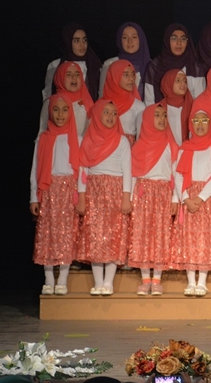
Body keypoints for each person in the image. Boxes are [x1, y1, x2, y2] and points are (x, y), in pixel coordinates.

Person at [76, 100, 132, 296]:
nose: (110, 116)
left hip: (115, 192)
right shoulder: (88, 139)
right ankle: (98, 281)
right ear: (98, 114)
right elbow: (83, 170)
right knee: (96, 236)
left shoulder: (122, 141)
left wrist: (126, 197)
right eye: (106, 112)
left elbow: (127, 171)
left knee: (113, 235)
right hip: (94, 191)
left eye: (114, 113)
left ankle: (108, 281)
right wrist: (81, 196)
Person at [30, 94, 80, 295]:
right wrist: (34, 197)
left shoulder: (76, 139)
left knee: (67, 234)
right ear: (50, 112)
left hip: (69, 191)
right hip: (48, 189)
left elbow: (82, 171)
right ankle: (49, 278)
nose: (60, 114)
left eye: (65, 110)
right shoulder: (43, 138)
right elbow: (35, 169)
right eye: (56, 110)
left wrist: (80, 194)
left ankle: (63, 278)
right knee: (48, 234)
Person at [127, 103, 178, 296]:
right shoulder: (138, 147)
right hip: (143, 194)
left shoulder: (170, 144)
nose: (162, 119)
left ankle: (157, 279)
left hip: (163, 193)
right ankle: (145, 278)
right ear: (147, 119)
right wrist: (131, 198)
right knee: (143, 234)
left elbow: (176, 173)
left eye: (164, 115)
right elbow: (133, 175)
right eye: (157, 115)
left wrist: (175, 198)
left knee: (160, 235)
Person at [172, 109, 211, 297]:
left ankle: (202, 281)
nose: (200, 124)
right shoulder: (185, 147)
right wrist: (186, 198)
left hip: (206, 199)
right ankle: (191, 281)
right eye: (196, 121)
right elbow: (178, 174)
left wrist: (200, 198)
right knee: (189, 239)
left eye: (204, 121)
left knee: (205, 239)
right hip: (188, 196)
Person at [144, 23, 201, 105]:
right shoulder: (155, 66)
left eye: (183, 39)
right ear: (167, 40)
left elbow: (199, 101)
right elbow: (149, 102)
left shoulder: (194, 66)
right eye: (174, 38)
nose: (179, 43)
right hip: (160, 112)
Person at [43, 23, 102, 101]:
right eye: (76, 40)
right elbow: (48, 96)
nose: (82, 44)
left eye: (84, 40)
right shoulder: (55, 65)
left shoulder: (94, 64)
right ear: (67, 41)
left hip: (90, 108)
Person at [39, 61, 93, 138]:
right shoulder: (50, 103)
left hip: (82, 145)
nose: (74, 77)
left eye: (77, 74)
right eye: (69, 74)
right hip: (57, 144)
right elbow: (41, 133)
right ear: (60, 77)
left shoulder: (87, 102)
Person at [100, 22, 150, 99]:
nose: (130, 41)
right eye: (125, 37)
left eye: (134, 37)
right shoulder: (110, 64)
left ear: (140, 39)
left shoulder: (150, 66)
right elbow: (102, 96)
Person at [101, 59, 145, 144]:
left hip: (130, 150)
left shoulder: (139, 106)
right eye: (126, 75)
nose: (131, 79)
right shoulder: (101, 106)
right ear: (114, 76)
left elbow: (142, 136)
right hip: (105, 148)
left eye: (133, 74)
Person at [159, 69, 194, 146]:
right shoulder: (159, 108)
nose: (183, 84)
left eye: (185, 81)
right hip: (166, 150)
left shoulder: (193, 106)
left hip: (188, 149)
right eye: (178, 81)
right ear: (168, 83)